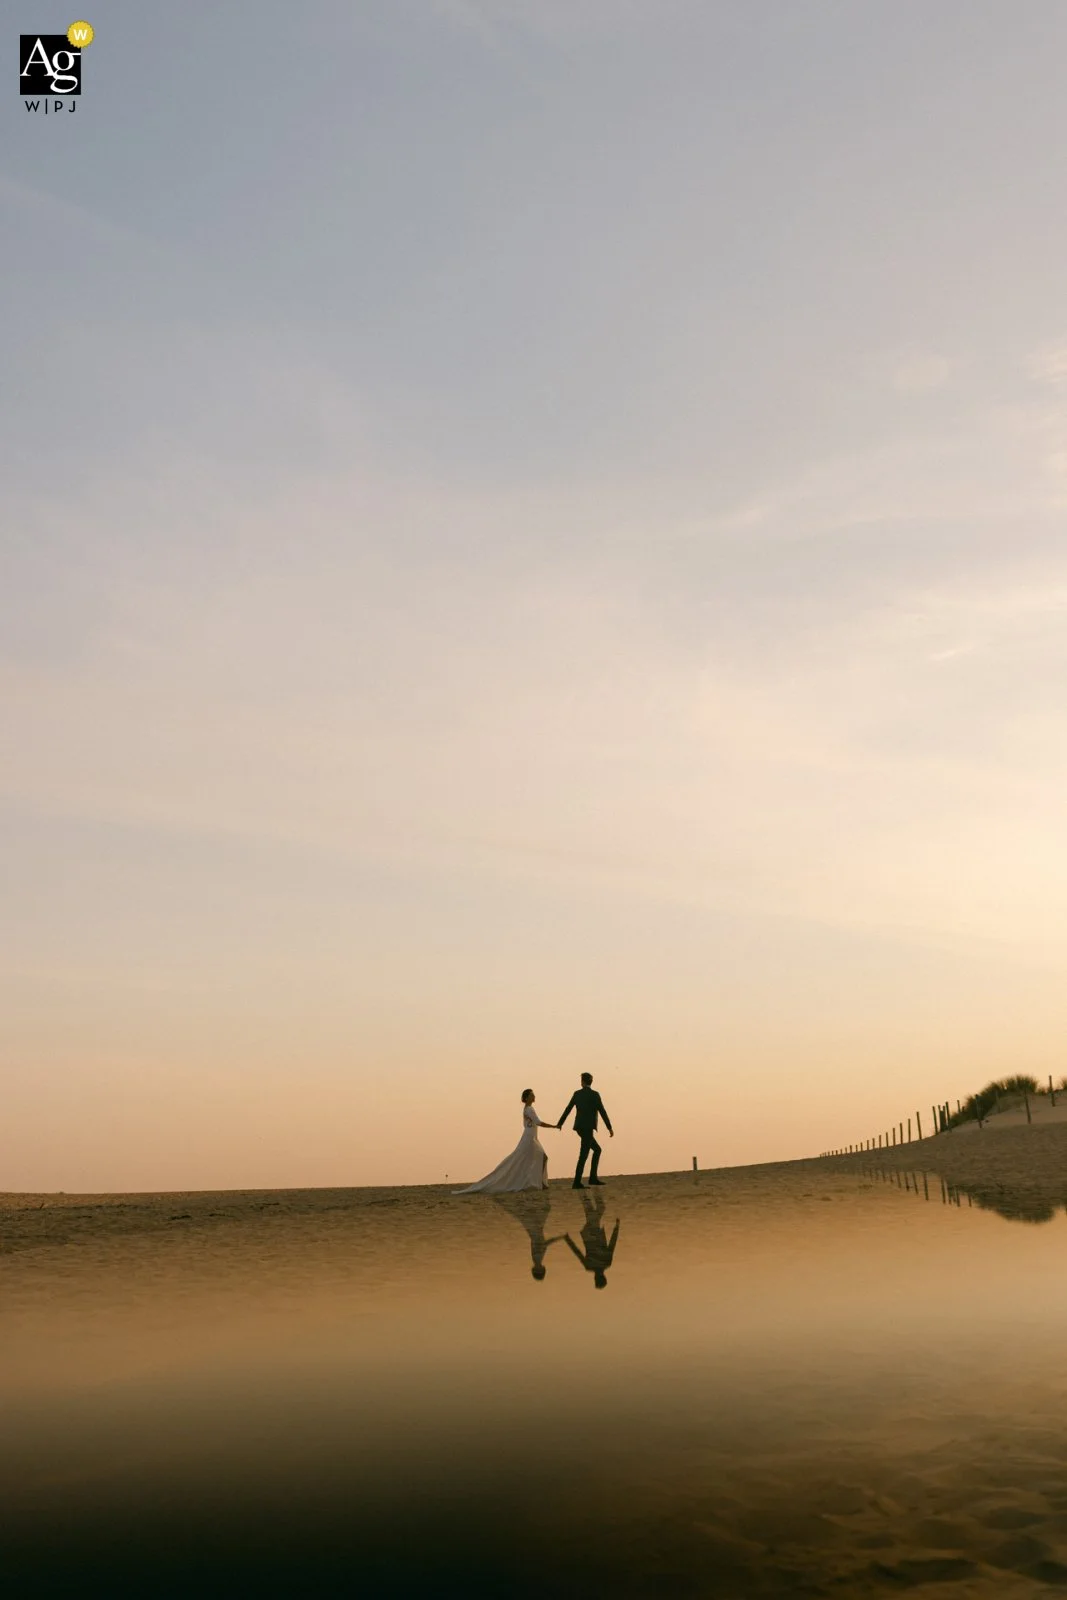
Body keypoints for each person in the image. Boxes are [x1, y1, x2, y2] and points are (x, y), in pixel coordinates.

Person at [453, 1090, 558, 1194]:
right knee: (536, 1157)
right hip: (530, 1138)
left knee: (534, 1158)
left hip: (532, 1137)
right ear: (526, 1098)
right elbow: (538, 1122)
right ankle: (540, 1183)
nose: (534, 1096)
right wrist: (553, 1126)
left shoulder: (529, 1108)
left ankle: (539, 1182)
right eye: (531, 1095)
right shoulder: (529, 1109)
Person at [556, 1072, 613, 1189]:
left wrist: (560, 1123)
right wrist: (609, 1127)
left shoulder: (577, 1094)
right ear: (591, 1082)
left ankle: (591, 1178)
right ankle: (578, 1181)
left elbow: (568, 1109)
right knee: (584, 1154)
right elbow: (602, 1111)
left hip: (580, 1127)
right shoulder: (595, 1095)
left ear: (582, 1082)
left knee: (596, 1150)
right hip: (588, 1127)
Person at [564, 1190, 620, 1289]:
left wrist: (617, 1227)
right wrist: (567, 1240)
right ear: (596, 1278)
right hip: (589, 1234)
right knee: (591, 1208)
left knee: (597, 1208)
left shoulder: (606, 1262)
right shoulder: (589, 1266)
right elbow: (577, 1252)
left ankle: (590, 1188)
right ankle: (585, 1188)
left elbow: (612, 1244)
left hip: (593, 1233)